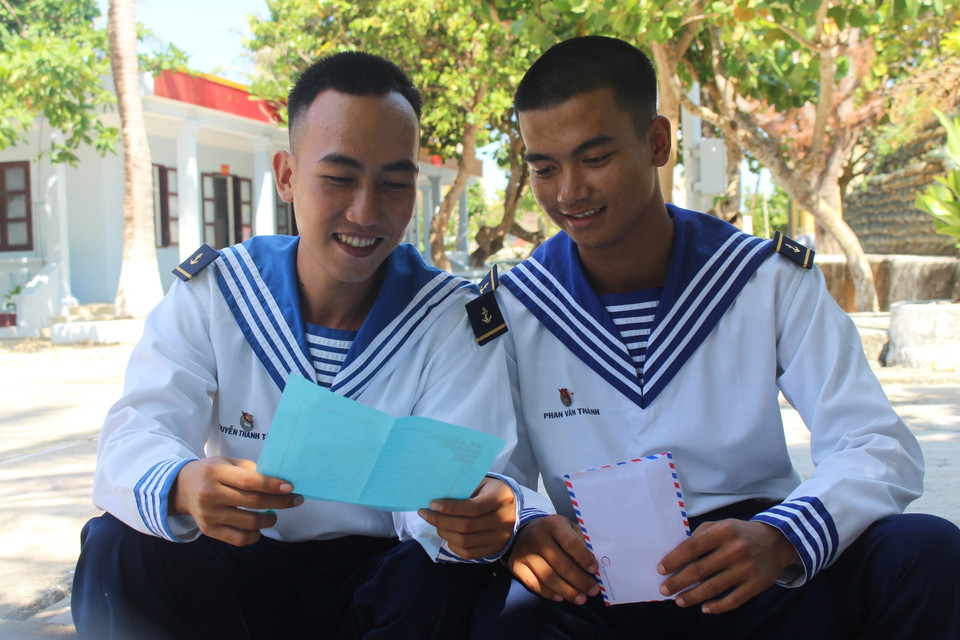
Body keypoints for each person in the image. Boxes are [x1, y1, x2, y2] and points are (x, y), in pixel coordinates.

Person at [473, 35, 960, 638]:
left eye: (594, 158)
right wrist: (523, 525)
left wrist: (784, 537)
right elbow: (492, 473)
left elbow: (877, 442)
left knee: (927, 553)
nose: (568, 191)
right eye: (544, 168)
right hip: (599, 581)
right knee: (498, 613)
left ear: (658, 142)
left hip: (758, 566)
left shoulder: (761, 279)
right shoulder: (516, 307)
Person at [72, 51, 526, 640]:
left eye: (394, 183)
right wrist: (182, 483)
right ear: (287, 176)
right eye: (339, 177)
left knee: (454, 574)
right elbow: (137, 430)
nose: (366, 211)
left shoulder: (452, 317)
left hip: (385, 576)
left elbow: (453, 492)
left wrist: (471, 515)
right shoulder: (219, 294)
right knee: (118, 544)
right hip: (243, 559)